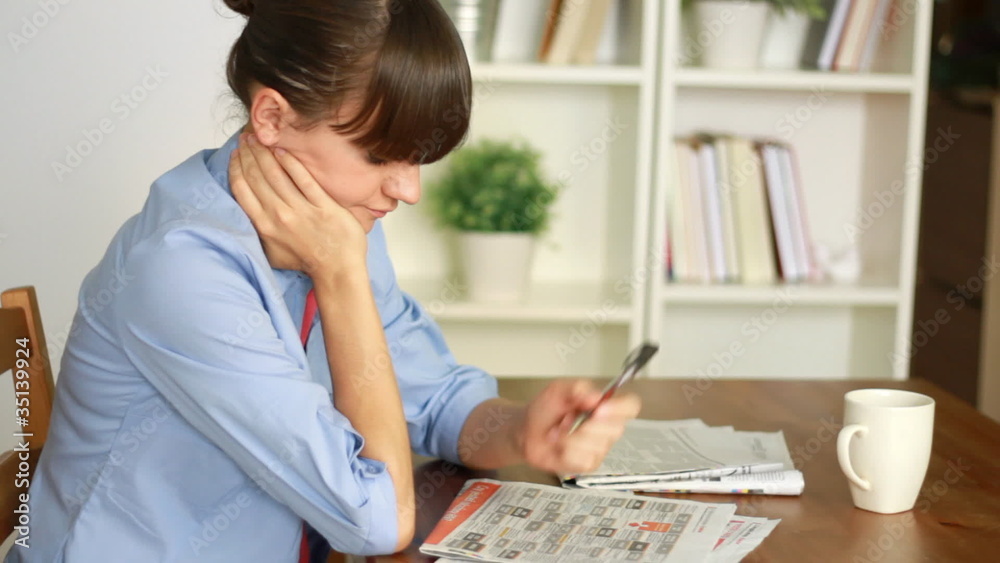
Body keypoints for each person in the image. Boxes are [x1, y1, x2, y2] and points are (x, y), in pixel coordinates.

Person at [6, 0, 640, 561]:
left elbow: (436, 398)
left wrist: (520, 427)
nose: (409, 190)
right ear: (273, 118)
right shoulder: (180, 271)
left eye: (418, 157)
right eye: (380, 154)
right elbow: (377, 520)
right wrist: (340, 276)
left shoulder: (340, 223)